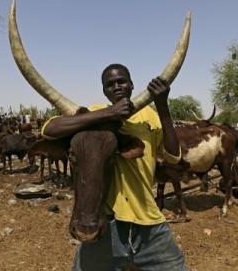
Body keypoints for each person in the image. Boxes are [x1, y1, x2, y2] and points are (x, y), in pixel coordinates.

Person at [42, 64, 185, 270]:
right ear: (104, 91)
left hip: (148, 221)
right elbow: (49, 129)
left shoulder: (149, 116)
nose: (116, 87)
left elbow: (172, 156)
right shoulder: (93, 113)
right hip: (106, 224)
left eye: (122, 81)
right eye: (109, 84)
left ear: (131, 84)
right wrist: (109, 113)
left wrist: (162, 105)